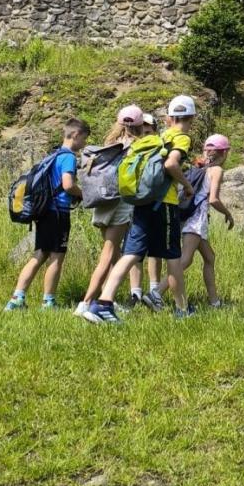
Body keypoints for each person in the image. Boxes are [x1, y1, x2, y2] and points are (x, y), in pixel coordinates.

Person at [84, 96, 198, 324]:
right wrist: (186, 186)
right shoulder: (182, 138)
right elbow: (171, 164)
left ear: (168, 118)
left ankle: (102, 303)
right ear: (192, 118)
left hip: (141, 202)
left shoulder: (159, 137)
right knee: (173, 255)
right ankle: (182, 309)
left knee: (131, 254)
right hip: (163, 203)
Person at [5, 118, 89, 310]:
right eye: (84, 139)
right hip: (58, 213)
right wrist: (83, 194)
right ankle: (48, 302)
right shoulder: (68, 157)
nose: (84, 144)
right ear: (75, 135)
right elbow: (68, 184)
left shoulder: (53, 156)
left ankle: (17, 298)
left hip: (44, 213)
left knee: (39, 255)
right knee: (57, 257)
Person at [73, 104, 143, 319]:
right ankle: (86, 303)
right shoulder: (137, 147)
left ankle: (107, 300)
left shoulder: (109, 144)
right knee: (109, 254)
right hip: (120, 203)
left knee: (115, 256)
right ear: (139, 126)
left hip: (102, 203)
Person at [168, 133, 234, 310]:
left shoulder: (197, 167)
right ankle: (156, 293)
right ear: (224, 153)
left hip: (187, 215)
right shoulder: (217, 171)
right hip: (196, 218)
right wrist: (228, 214)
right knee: (186, 259)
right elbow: (213, 199)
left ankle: (214, 302)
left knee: (209, 257)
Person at [128, 112, 165, 309]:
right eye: (143, 130)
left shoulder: (160, 146)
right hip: (135, 203)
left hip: (155, 201)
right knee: (134, 250)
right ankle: (135, 293)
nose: (146, 134)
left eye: (149, 131)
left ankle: (154, 291)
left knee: (155, 249)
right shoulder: (134, 148)